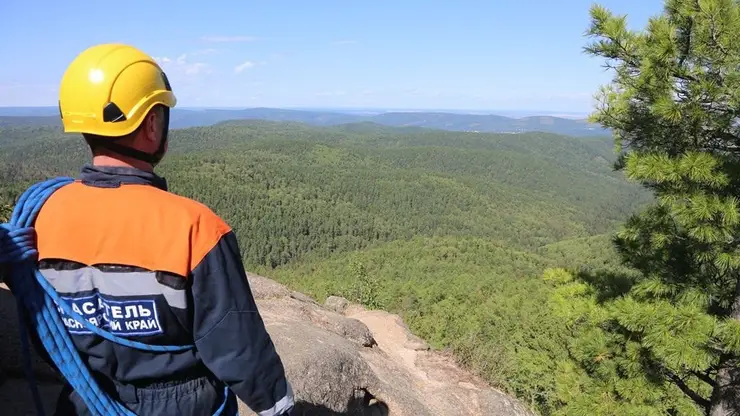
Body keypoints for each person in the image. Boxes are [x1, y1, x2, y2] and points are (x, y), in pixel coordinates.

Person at [31, 43, 294, 416]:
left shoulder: (41, 217)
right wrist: (278, 405)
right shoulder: (195, 227)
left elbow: (43, 326)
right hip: (181, 403)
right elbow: (238, 349)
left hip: (85, 396)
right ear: (153, 123)